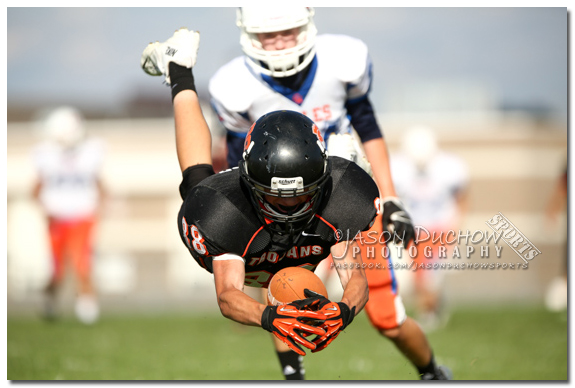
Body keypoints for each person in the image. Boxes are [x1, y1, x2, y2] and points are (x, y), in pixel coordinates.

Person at [208, 7, 451, 380]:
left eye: (287, 31)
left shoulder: (341, 62)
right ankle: (294, 377)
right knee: (287, 291)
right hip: (285, 211)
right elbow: (240, 168)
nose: (279, 42)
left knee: (387, 318)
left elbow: (367, 126)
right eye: (268, 35)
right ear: (249, 36)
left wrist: (388, 198)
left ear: (306, 25)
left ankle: (432, 372)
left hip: (345, 200)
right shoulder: (235, 87)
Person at [141, 28, 378, 362]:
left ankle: (343, 152)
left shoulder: (340, 198)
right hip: (246, 236)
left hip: (297, 242)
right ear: (250, 183)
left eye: (302, 194)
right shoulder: (225, 213)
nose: (291, 204)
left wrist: (344, 312)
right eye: (278, 196)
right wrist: (271, 318)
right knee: (197, 180)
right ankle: (179, 69)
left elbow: (355, 279)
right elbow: (227, 295)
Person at [32, 106, 105, 324]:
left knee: (82, 263)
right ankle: (49, 300)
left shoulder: (91, 150)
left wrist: (101, 207)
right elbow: (35, 189)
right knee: (58, 271)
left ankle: (87, 314)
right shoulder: (45, 154)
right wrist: (45, 210)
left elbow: (99, 185)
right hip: (57, 218)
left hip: (83, 217)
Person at [391, 126, 468, 331]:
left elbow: (461, 198)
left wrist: (457, 226)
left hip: (440, 227)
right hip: (413, 228)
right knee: (419, 275)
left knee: (432, 275)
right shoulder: (397, 166)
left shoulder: (450, 167)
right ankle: (429, 311)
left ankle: (431, 311)